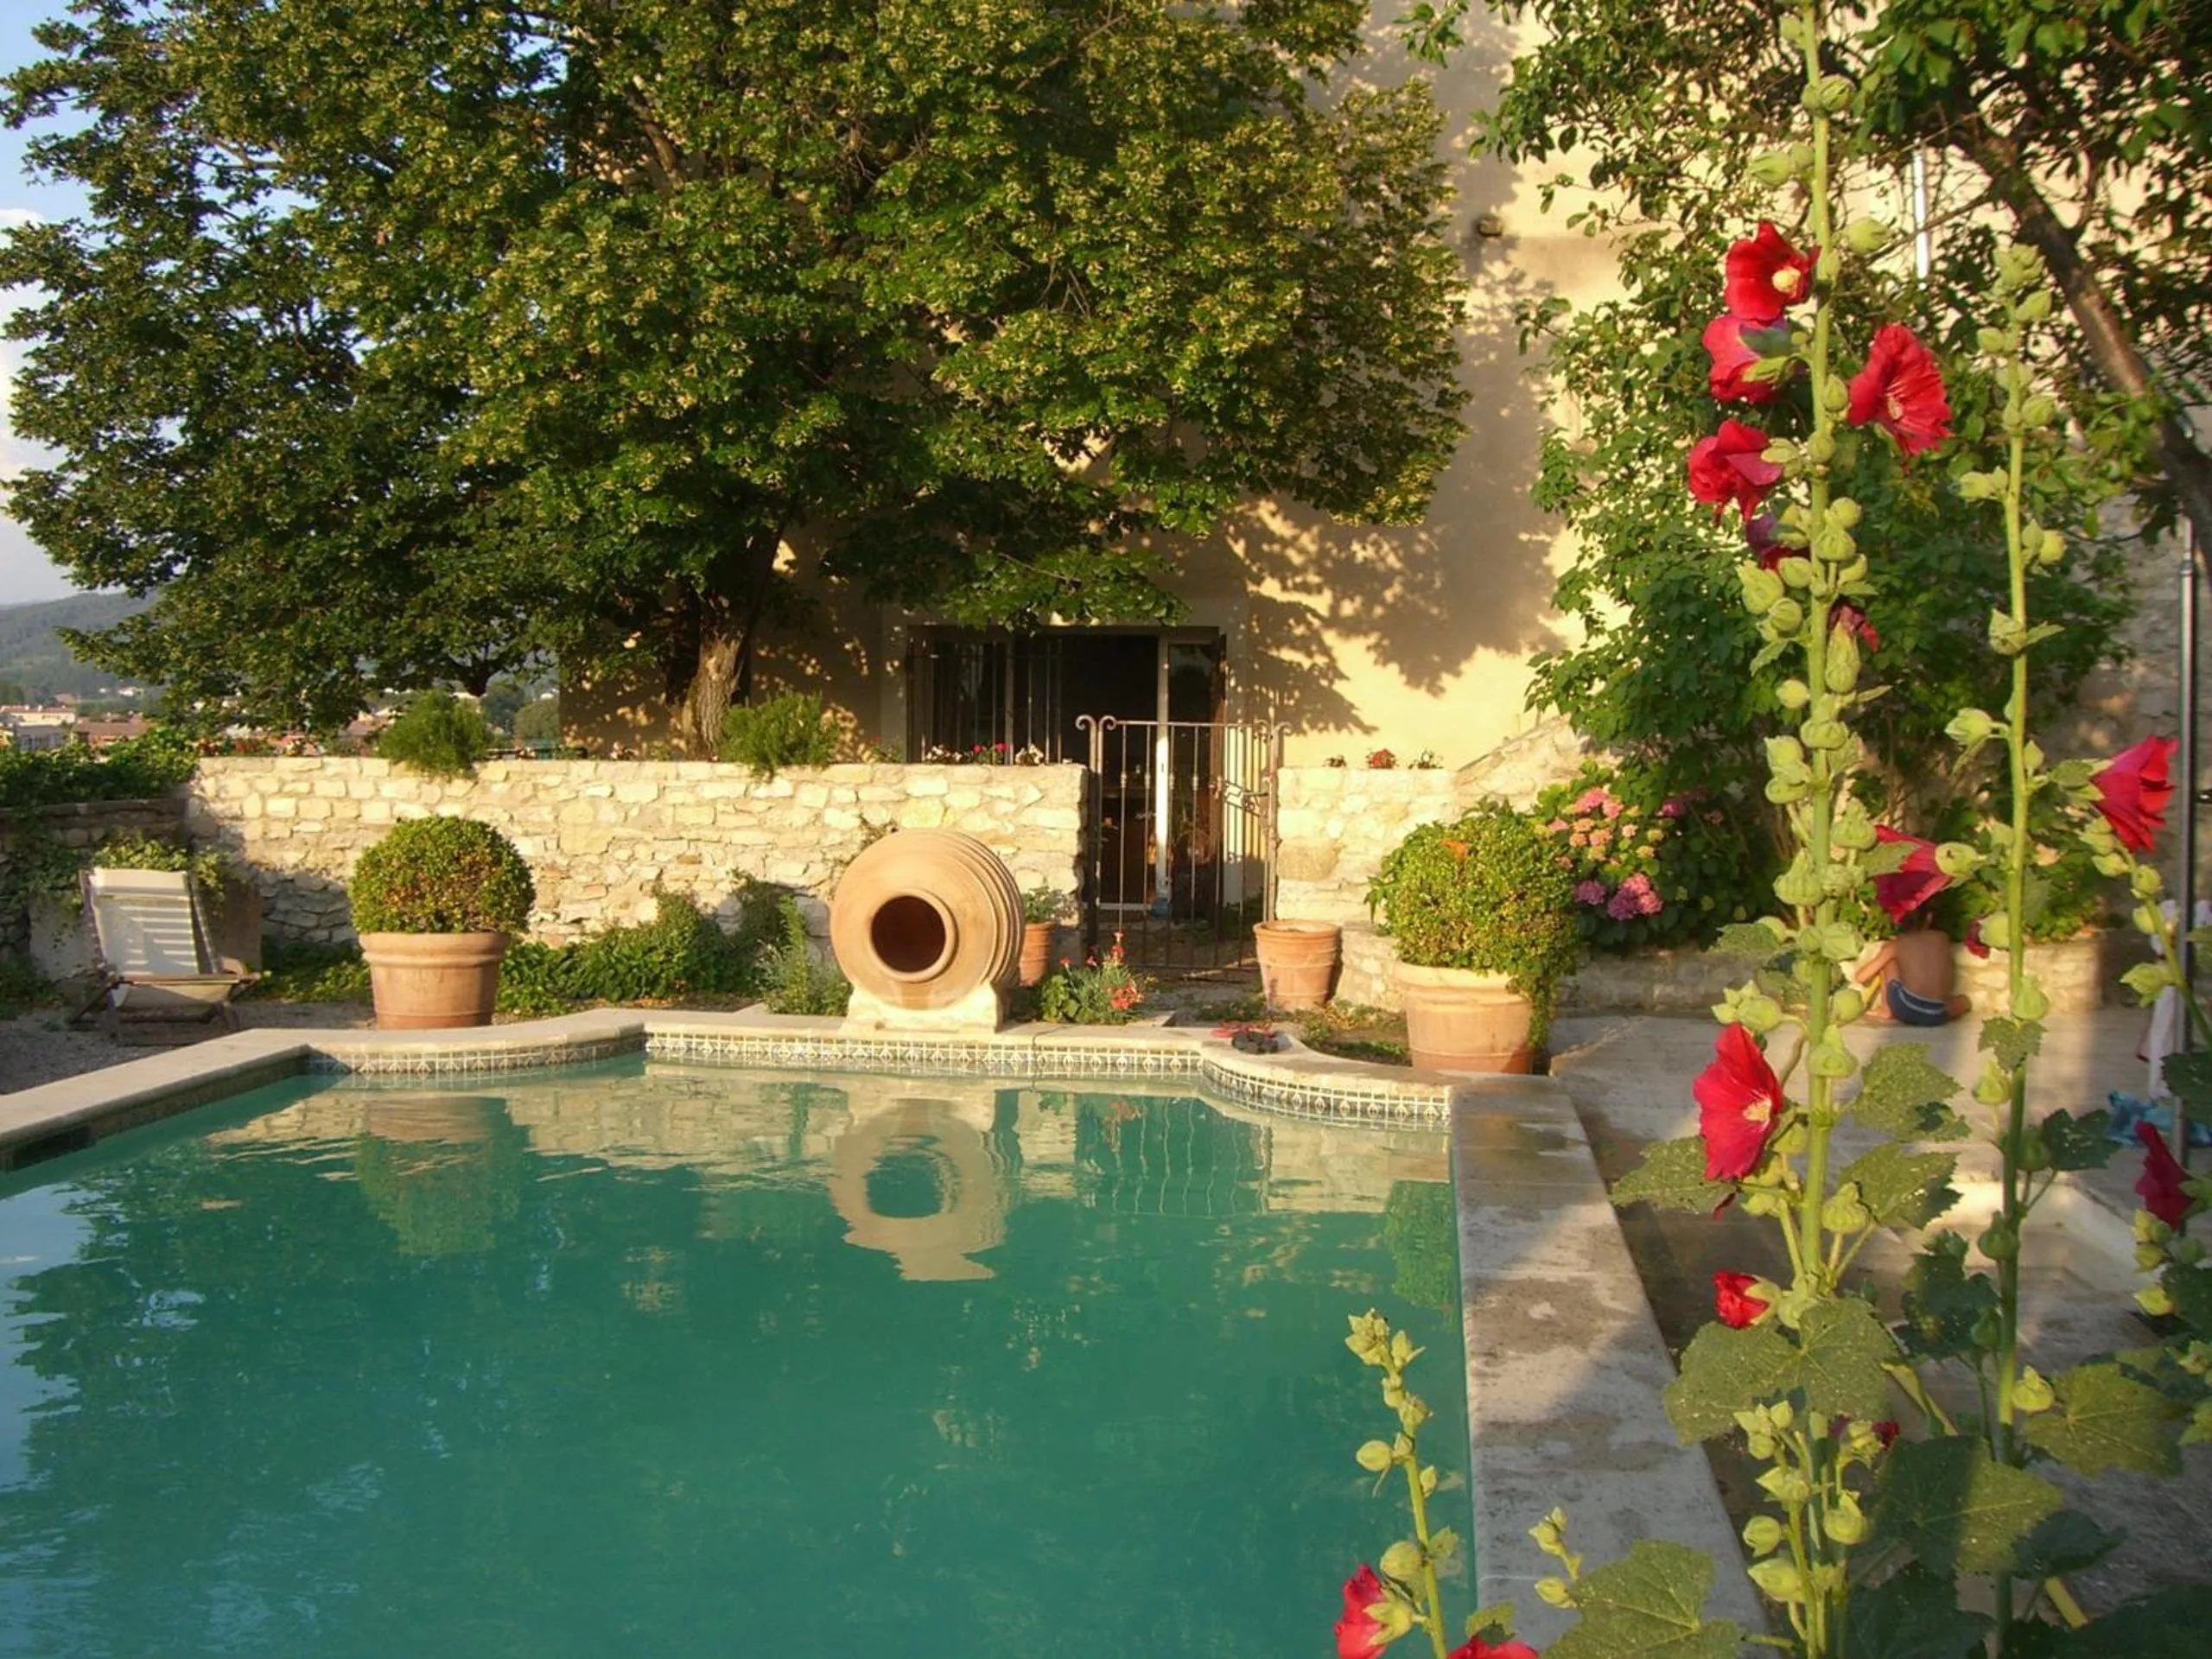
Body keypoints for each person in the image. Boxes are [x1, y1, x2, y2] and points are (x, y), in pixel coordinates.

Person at [1854, 913, 1970, 1027]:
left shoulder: (1897, 944)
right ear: (1929, 917)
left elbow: (1861, 977)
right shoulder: (1942, 938)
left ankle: (1886, 1010)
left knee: (1889, 959)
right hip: (1937, 1013)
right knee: (1964, 1001)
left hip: (1906, 1008)